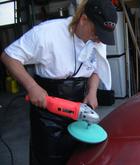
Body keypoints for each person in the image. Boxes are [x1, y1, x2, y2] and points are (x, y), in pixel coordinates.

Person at [0, 0, 117, 164]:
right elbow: (9, 56)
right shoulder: (47, 33)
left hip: (78, 108)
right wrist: (32, 87)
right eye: (97, 33)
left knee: (77, 157)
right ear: (83, 19)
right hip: (47, 111)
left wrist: (91, 91)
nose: (99, 40)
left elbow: (96, 66)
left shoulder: (97, 38)